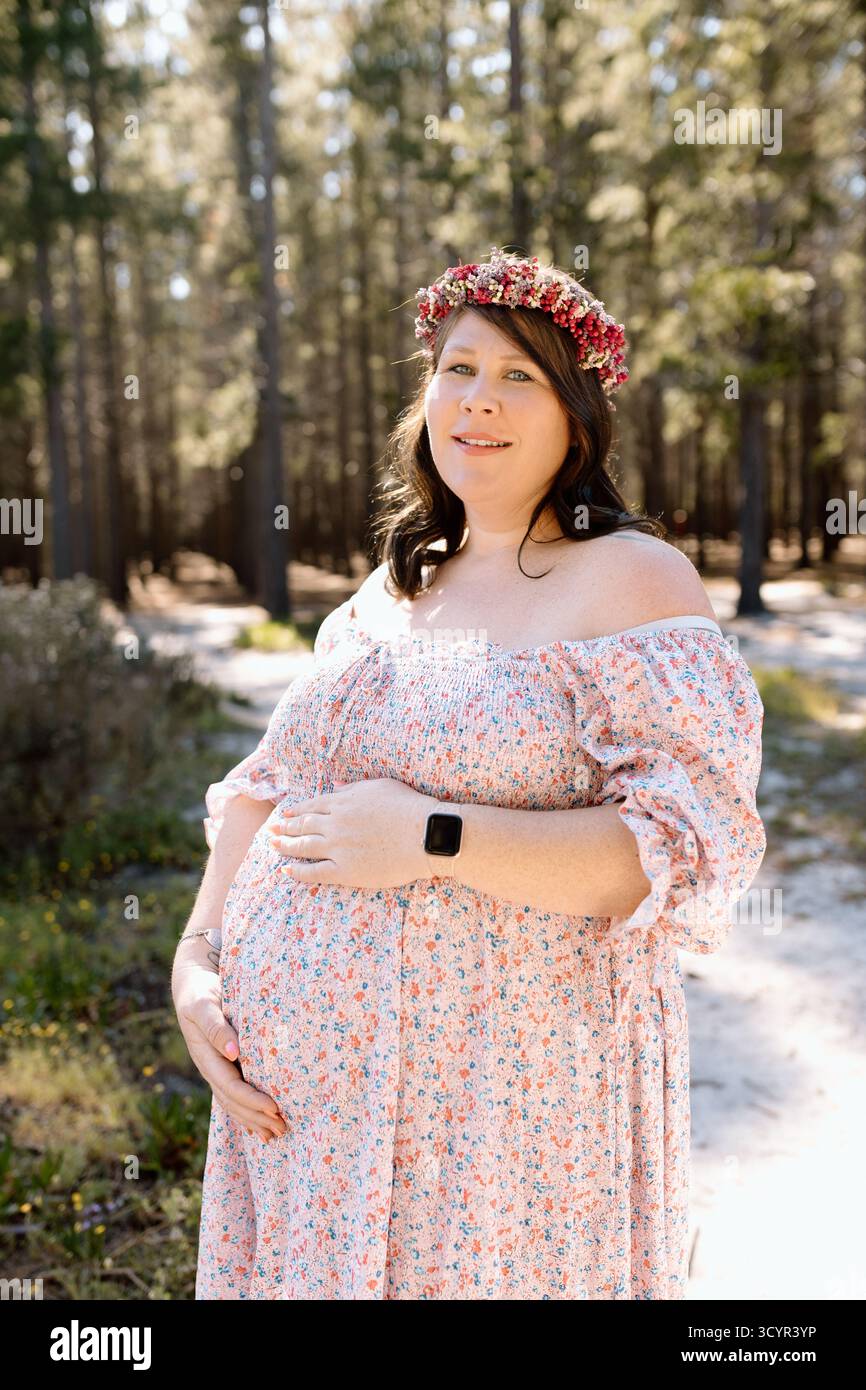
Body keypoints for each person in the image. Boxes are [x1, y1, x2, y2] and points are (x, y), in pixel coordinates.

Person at [173, 246, 766, 1300]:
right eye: (455, 368)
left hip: (501, 1116)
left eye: (516, 375)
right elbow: (269, 781)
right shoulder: (388, 588)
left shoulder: (630, 580)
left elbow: (670, 851)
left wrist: (430, 837)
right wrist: (197, 960)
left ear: (574, 417)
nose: (475, 400)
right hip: (308, 1118)